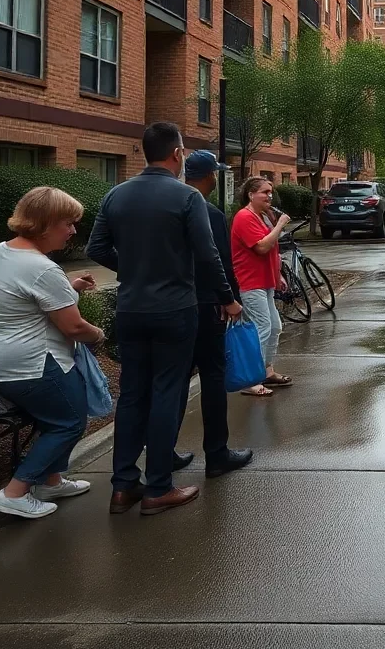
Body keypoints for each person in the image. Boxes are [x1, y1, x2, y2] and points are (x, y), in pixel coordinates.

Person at [88, 122, 242, 517]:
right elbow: (207, 257)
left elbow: (96, 246)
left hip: (130, 308)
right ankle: (158, 487)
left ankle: (123, 487)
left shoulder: (116, 194)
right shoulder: (186, 198)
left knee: (133, 394)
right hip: (174, 308)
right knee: (166, 392)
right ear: (177, 154)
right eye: (184, 153)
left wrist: (134, 269)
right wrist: (227, 298)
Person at [0, 187, 105, 520]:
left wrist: (67, 288)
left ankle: (52, 480)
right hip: (28, 366)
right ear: (45, 224)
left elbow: (21, 299)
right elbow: (73, 328)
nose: (73, 231)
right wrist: (100, 335)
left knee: (56, 416)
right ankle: (15, 493)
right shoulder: (42, 269)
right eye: (67, 223)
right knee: (69, 422)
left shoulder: (0, 252)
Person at [172, 150, 253, 477]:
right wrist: (230, 298)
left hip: (174, 305)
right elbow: (218, 261)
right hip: (207, 306)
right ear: (207, 176)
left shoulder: (169, 208)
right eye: (215, 173)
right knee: (213, 378)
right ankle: (217, 454)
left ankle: (165, 452)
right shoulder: (210, 213)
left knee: (173, 382)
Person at [230, 176, 292, 397]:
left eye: (271, 192)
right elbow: (262, 247)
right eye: (264, 192)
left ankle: (266, 371)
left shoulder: (261, 217)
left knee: (274, 326)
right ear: (250, 194)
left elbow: (273, 251)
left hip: (265, 280)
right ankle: (250, 380)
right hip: (250, 281)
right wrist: (280, 225)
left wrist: (278, 275)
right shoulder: (244, 217)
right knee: (261, 328)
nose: (269, 196)